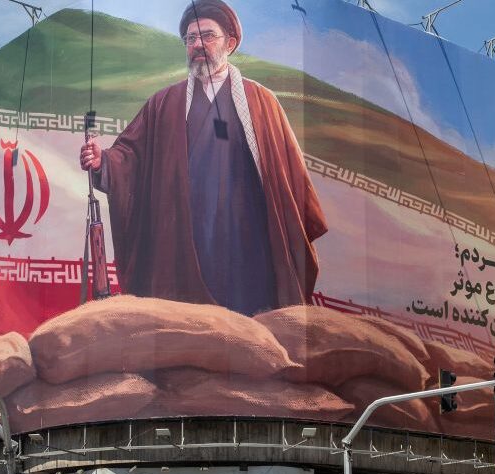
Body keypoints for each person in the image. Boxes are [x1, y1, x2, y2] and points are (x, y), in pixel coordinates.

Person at [78, 0, 327, 316]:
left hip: (247, 243)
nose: (197, 45)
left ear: (230, 43)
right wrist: (104, 162)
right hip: (183, 239)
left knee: (252, 334)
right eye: (190, 39)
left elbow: (289, 179)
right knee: (187, 330)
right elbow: (130, 157)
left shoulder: (262, 102)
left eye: (207, 36)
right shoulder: (164, 103)